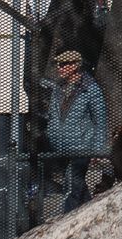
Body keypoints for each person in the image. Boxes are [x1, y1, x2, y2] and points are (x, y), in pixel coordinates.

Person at [45, 49, 108, 211]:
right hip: (61, 147)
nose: (59, 68)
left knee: (72, 185)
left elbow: (100, 120)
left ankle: (65, 222)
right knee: (79, 187)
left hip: (81, 149)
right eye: (59, 64)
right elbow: (54, 115)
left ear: (75, 66)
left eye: (64, 64)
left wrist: (97, 150)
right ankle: (92, 213)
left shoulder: (90, 89)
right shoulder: (58, 89)